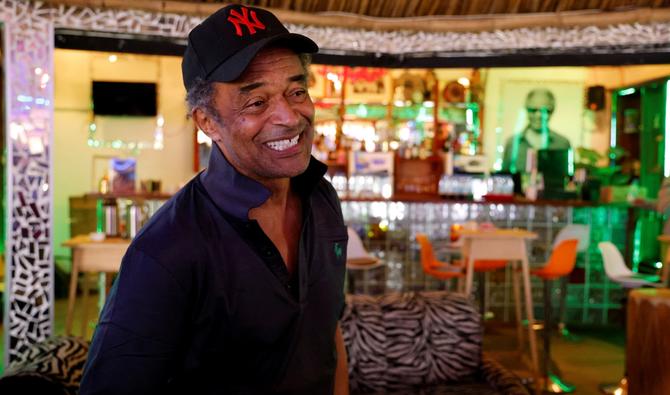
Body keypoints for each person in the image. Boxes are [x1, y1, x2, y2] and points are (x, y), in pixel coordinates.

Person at [80, 4, 349, 394]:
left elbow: (327, 331)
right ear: (207, 122)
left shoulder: (322, 198)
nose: (289, 117)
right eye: (256, 102)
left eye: (296, 91)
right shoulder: (166, 250)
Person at [502, 88, 571, 173]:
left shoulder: (562, 143)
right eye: (533, 110)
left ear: (552, 111)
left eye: (544, 111)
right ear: (526, 109)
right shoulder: (512, 143)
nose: (538, 115)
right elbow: (504, 179)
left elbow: (567, 181)